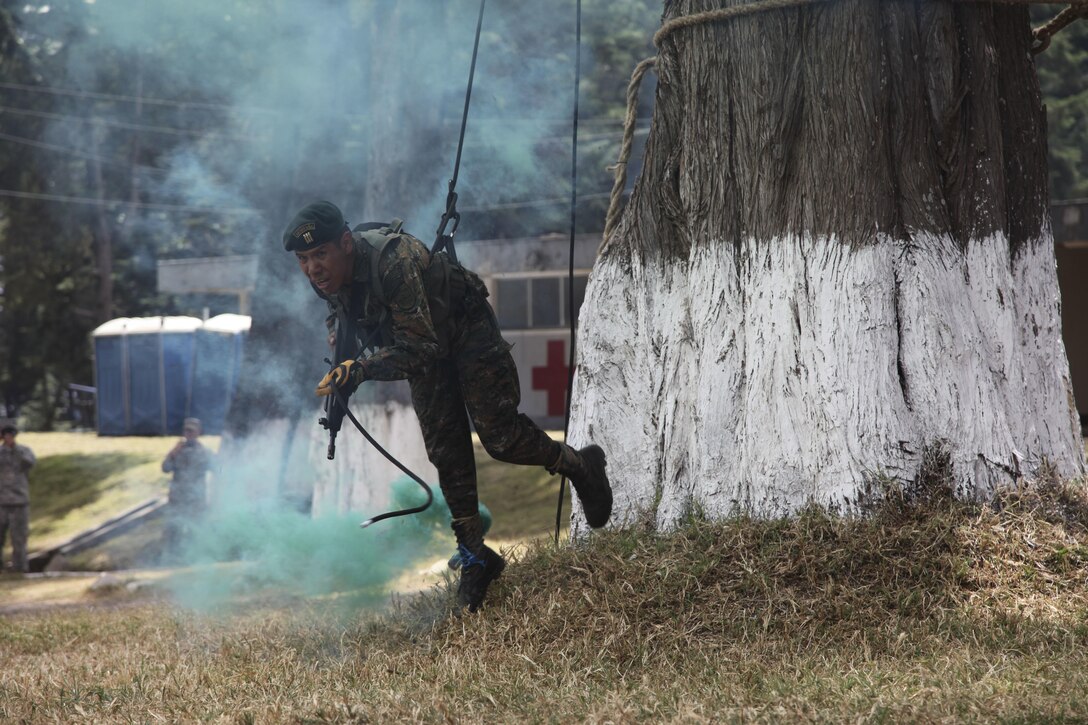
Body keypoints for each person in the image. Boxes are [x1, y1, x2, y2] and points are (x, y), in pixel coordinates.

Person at [284, 200, 612, 611]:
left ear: (346, 244)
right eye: (303, 259)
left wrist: (360, 369)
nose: (313, 268)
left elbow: (420, 347)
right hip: (418, 345)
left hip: (463, 331)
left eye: (321, 254)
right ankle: (476, 556)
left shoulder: (393, 262)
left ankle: (580, 465)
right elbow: (342, 316)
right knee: (446, 450)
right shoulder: (327, 281)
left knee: (500, 437)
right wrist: (340, 344)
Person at [160, 417, 212, 560]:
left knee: (194, 530)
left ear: (198, 432)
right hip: (177, 498)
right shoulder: (177, 450)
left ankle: (193, 559)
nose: (188, 434)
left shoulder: (205, 452)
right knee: (174, 530)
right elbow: (165, 468)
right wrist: (172, 453)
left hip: (196, 500)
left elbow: (217, 469)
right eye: (186, 431)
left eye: (192, 431)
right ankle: (172, 560)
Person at [0, 424, 35, 574]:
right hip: (1, 502)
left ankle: (19, 569)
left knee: (19, 538)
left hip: (19, 502)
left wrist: (15, 449)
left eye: (11, 435)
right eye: (6, 435)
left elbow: (29, 463)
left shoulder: (24, 451)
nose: (8, 438)